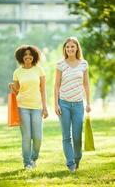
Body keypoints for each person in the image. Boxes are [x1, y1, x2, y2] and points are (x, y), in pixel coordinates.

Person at [54, 37, 91, 173]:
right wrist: (55, 104)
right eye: (67, 47)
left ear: (77, 48)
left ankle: (77, 159)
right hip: (63, 103)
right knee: (66, 136)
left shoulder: (83, 64)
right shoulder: (60, 64)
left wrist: (88, 103)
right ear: (65, 49)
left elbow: (86, 84)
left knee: (77, 136)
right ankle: (70, 164)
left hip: (78, 105)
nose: (70, 49)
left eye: (72, 47)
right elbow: (56, 85)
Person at [9, 45, 48, 169]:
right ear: (21, 57)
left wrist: (45, 107)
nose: (28, 56)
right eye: (25, 54)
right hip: (22, 107)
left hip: (37, 107)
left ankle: (33, 158)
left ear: (34, 56)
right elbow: (17, 91)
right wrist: (12, 88)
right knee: (26, 136)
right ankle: (27, 163)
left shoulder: (39, 70)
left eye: (30, 54)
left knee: (38, 137)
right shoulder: (17, 72)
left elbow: (43, 90)